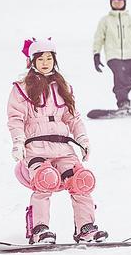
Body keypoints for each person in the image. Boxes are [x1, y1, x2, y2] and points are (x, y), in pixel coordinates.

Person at [7, 38, 108, 244]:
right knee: (45, 180)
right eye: (41, 58)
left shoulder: (63, 87)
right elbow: (15, 118)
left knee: (82, 181)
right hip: (36, 149)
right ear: (32, 61)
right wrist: (18, 143)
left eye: (49, 58)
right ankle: (39, 229)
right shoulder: (22, 88)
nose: (45, 62)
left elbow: (73, 118)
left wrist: (83, 140)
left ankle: (86, 228)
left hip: (63, 148)